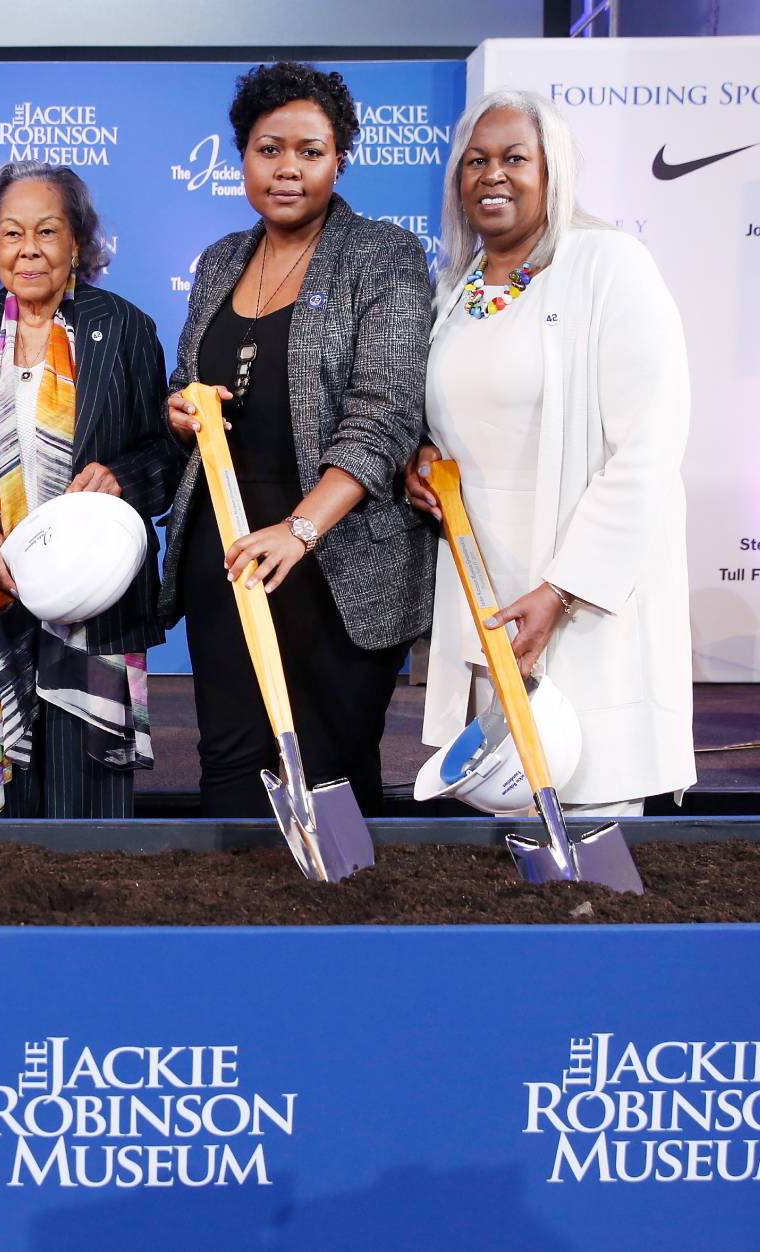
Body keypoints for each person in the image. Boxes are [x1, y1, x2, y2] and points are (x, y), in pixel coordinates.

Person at [406, 89, 694, 815]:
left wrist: (563, 590)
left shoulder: (609, 264)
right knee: (502, 832)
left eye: (513, 158)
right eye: (475, 160)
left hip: (581, 600)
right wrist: (425, 464)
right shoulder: (459, 287)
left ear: (553, 170)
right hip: (486, 595)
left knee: (589, 817)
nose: (491, 175)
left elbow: (648, 449)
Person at [160, 61, 434, 818]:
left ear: (340, 158)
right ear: (242, 156)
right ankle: (234, 934)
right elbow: (188, 383)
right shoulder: (220, 260)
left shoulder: (383, 255)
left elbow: (385, 416)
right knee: (230, 767)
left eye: (309, 151)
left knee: (329, 773)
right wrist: (183, 413)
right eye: (267, 148)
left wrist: (302, 527)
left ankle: (336, 931)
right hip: (230, 552)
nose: (287, 169)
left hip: (334, 557)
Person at [0, 162, 177, 819]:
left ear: (79, 243)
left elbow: (168, 452)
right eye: (12, 234)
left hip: (95, 610)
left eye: (47, 231)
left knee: (92, 814)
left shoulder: (126, 329)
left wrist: (122, 479)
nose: (29, 249)